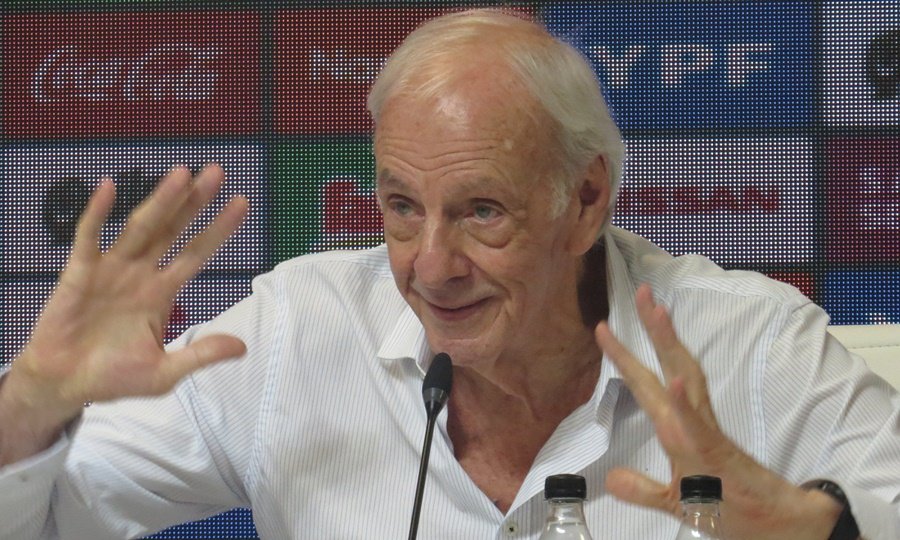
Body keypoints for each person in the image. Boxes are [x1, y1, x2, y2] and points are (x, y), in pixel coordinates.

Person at [1, 9, 898, 539]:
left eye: (482, 212)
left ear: (586, 199)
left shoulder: (751, 346)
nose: (430, 267)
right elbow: (38, 519)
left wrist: (818, 531)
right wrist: (32, 402)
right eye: (400, 206)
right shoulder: (294, 332)